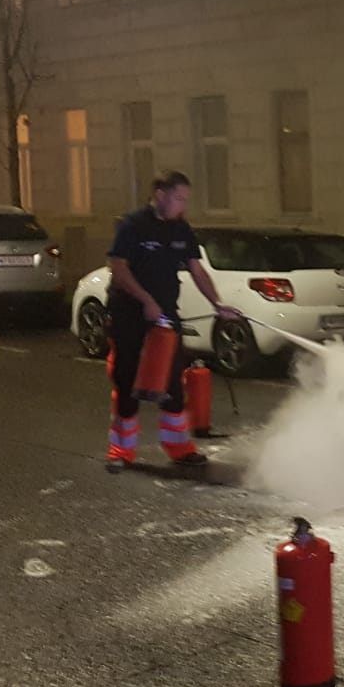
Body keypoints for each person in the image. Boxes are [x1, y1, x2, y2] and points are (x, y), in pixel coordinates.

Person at [104, 170, 241, 472]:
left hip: (165, 316)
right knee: (126, 382)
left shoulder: (181, 229)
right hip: (130, 314)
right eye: (179, 198)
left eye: (186, 200)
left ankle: (179, 448)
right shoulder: (133, 226)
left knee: (173, 384)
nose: (184, 206)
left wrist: (217, 304)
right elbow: (119, 269)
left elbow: (197, 270)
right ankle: (121, 451)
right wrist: (146, 301)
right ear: (160, 195)